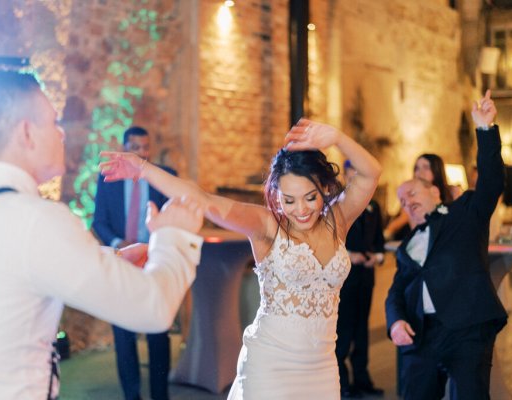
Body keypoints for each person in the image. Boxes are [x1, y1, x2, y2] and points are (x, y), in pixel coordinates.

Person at [0, 70, 205, 400]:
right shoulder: (37, 220)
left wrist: (110, 259)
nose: (62, 134)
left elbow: (7, 269)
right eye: (53, 122)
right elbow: (154, 309)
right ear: (27, 132)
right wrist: (174, 236)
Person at [99, 118, 382, 399]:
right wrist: (143, 169)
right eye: (289, 200)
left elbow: (371, 173)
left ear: (324, 187)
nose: (301, 210)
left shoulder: (338, 221)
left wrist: (337, 137)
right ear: (276, 195)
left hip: (322, 369)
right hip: (271, 366)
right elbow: (203, 200)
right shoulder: (267, 225)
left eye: (310, 197)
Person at [385, 90, 507, 400]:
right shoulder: (408, 245)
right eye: (402, 200)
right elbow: (397, 291)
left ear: (436, 193)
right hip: (421, 333)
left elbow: (492, 181)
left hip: (467, 327)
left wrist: (485, 130)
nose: (407, 202)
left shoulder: (465, 211)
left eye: (412, 193)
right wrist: (396, 320)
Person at [92, 126, 176, 400]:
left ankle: (160, 395)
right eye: (136, 147)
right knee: (123, 335)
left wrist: (154, 248)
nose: (142, 153)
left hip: (154, 264)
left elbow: (173, 220)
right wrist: (117, 244)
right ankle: (132, 396)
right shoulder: (109, 178)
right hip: (121, 263)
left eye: (145, 147)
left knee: (158, 333)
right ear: (126, 147)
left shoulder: (165, 178)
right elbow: (98, 222)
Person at [335, 160, 385, 398]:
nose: (355, 177)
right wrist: (349, 255)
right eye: (351, 173)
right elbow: (330, 242)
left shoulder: (374, 205)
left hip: (366, 275)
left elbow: (379, 240)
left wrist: (376, 256)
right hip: (345, 277)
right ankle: (342, 383)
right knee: (343, 329)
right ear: (344, 175)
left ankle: (362, 378)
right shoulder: (338, 205)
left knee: (362, 329)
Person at [384, 153, 457, 241]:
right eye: (417, 168)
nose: (420, 173)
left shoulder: (452, 191)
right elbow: (415, 228)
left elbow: (452, 217)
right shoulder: (411, 197)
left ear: (437, 170)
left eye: (426, 167)